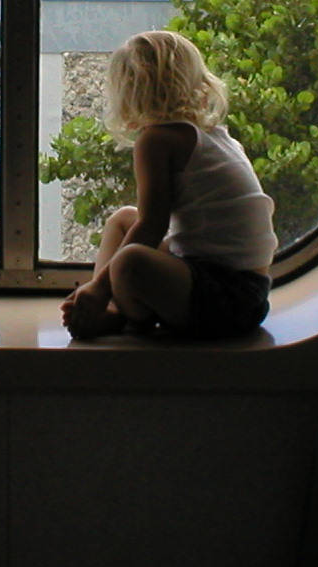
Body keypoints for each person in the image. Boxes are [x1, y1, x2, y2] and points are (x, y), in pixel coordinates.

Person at [61, 30, 278, 341]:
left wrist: (97, 286)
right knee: (123, 219)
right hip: (248, 294)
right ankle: (110, 307)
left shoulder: (157, 140)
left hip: (225, 300)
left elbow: (152, 225)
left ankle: (120, 313)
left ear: (128, 93)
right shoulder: (215, 135)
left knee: (130, 261)